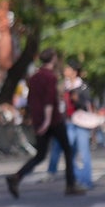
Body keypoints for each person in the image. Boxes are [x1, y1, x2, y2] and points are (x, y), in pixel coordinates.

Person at [5, 49, 86, 198]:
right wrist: (47, 121)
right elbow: (49, 101)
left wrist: (36, 119)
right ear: (53, 59)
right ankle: (70, 184)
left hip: (39, 120)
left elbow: (30, 100)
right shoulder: (50, 77)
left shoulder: (34, 77)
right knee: (67, 150)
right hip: (52, 121)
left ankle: (17, 177)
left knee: (40, 155)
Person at [62, 59, 94, 189]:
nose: (65, 71)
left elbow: (87, 104)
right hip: (69, 122)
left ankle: (86, 181)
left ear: (74, 72)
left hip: (81, 122)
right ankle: (78, 177)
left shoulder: (82, 86)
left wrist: (77, 100)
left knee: (84, 152)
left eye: (67, 69)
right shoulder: (64, 86)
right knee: (69, 152)